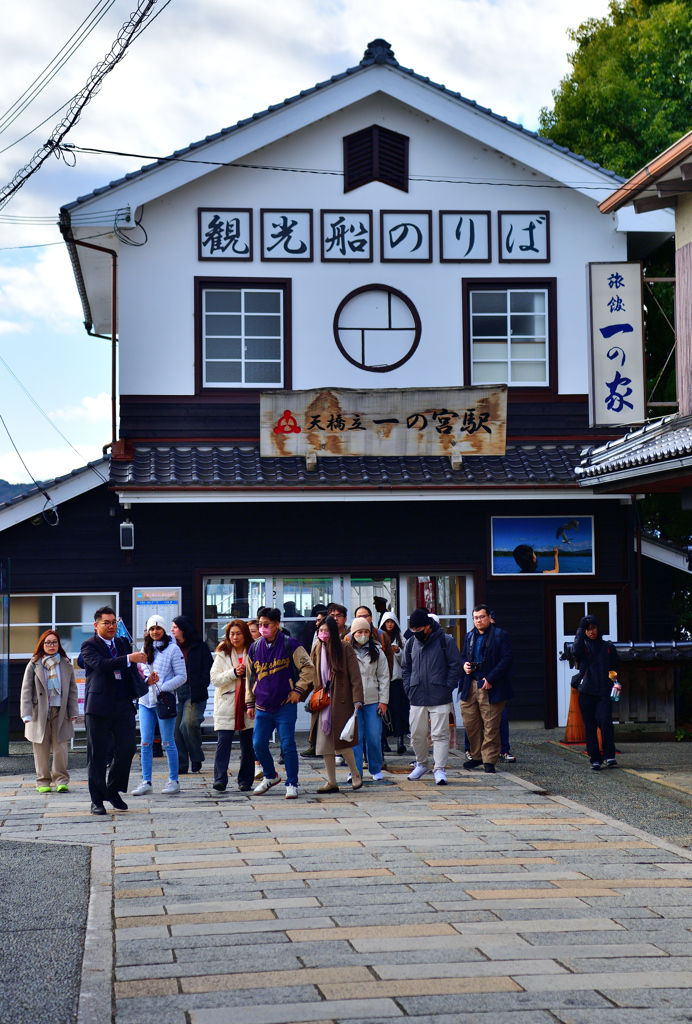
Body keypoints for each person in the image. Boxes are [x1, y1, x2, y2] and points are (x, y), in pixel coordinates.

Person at [81, 606, 148, 815]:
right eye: (106, 623)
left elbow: (130, 672)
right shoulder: (89, 645)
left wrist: (145, 681)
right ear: (96, 625)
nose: (111, 626)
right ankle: (97, 799)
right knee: (97, 753)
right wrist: (129, 658)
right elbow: (101, 665)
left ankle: (113, 789)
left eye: (113, 623)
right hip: (99, 705)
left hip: (123, 704)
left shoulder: (121, 643)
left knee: (127, 748)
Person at [246, 607, 315, 799]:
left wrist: (298, 690)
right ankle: (270, 775)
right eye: (260, 624)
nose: (262, 628)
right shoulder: (254, 647)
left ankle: (292, 782)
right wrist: (250, 702)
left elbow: (308, 668)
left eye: (266, 624)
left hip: (285, 704)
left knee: (287, 745)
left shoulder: (290, 643)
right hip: (262, 705)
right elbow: (250, 678)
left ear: (277, 624)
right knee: (258, 744)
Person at [402, 608, 462, 785]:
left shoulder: (446, 640)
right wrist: (409, 688)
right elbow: (406, 668)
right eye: (413, 629)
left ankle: (440, 769)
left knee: (440, 734)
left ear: (428, 626)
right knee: (416, 734)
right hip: (417, 695)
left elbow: (455, 665)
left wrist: (447, 687)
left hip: (440, 695)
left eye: (418, 629)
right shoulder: (411, 643)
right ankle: (421, 764)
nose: (415, 632)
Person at [131, 616, 187, 796]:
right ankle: (146, 781)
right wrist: (146, 682)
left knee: (167, 741)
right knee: (145, 742)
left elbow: (182, 676)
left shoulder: (173, 649)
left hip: (164, 701)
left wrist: (163, 686)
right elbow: (140, 674)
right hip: (145, 701)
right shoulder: (144, 649)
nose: (155, 632)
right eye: (151, 629)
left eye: (158, 628)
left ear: (164, 629)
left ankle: (174, 780)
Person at [310, 614, 364, 792]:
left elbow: (355, 676)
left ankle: (355, 773)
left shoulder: (344, 647)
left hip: (341, 700)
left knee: (343, 742)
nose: (323, 634)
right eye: (321, 630)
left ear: (333, 631)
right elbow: (311, 673)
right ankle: (332, 781)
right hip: (323, 702)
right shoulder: (317, 648)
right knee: (325, 745)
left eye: (326, 630)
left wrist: (357, 699)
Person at [21, 630, 78, 793]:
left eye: (54, 642)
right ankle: (43, 781)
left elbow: (72, 689)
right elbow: (26, 689)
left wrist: (73, 711)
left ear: (59, 644)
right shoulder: (34, 664)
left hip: (61, 710)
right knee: (41, 747)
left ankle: (61, 780)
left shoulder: (66, 663)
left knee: (60, 747)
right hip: (39, 711)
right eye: (48, 642)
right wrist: (26, 713)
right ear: (42, 644)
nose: (51, 645)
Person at [460, 604, 514, 774]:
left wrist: (490, 678)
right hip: (470, 684)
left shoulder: (501, 635)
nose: (479, 620)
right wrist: (464, 665)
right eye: (476, 618)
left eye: (482, 617)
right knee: (470, 723)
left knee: (491, 725)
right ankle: (476, 756)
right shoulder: (469, 636)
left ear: (489, 617)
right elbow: (462, 656)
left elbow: (507, 659)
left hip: (492, 685)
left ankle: (489, 760)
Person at [210, 619, 255, 791]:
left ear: (245, 634)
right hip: (227, 703)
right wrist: (233, 673)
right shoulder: (223, 652)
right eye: (232, 634)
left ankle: (245, 780)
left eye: (238, 633)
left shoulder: (254, 650)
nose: (235, 637)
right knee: (224, 743)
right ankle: (220, 778)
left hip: (249, 702)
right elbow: (215, 679)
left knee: (248, 744)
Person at [572, 614, 620, 770]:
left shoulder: (608, 647)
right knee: (590, 726)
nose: (591, 631)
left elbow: (614, 666)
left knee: (605, 722)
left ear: (598, 628)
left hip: (604, 691)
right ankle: (595, 758)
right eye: (587, 629)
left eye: (593, 628)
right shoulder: (583, 647)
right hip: (586, 691)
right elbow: (575, 651)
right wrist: (580, 629)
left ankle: (609, 755)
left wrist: (615, 679)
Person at [348, 616, 389, 782]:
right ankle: (355, 771)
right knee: (355, 739)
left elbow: (384, 677)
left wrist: (384, 701)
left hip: (373, 700)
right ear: (353, 634)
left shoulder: (377, 651)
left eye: (365, 631)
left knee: (373, 737)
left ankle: (375, 768)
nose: (362, 635)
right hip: (353, 701)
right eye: (359, 632)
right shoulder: (346, 651)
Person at [171, 615, 213, 774]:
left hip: (194, 691)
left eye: (175, 627)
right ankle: (181, 765)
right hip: (174, 691)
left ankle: (196, 757)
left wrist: (201, 684)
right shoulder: (171, 646)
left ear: (184, 629)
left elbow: (207, 668)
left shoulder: (200, 646)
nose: (172, 630)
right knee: (176, 730)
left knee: (187, 724)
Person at [380, 612, 410, 754]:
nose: (389, 624)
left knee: (399, 711)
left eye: (392, 621)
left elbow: (406, 660)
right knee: (383, 712)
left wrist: (397, 652)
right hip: (383, 680)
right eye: (387, 622)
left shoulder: (401, 639)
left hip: (397, 680)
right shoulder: (379, 637)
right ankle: (384, 742)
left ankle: (400, 741)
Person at [352, 605, 394, 679]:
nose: (362, 619)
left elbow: (389, 660)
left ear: (371, 617)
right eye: (359, 617)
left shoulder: (381, 635)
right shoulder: (348, 637)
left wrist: (387, 681)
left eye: (365, 616)